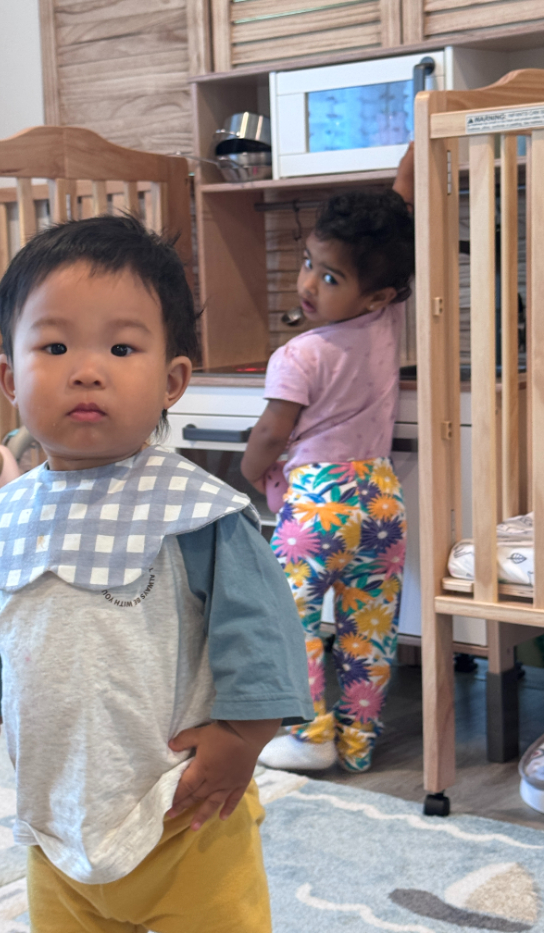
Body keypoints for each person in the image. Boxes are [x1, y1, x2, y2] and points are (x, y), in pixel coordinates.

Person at [0, 214, 313, 933]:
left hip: (185, 810)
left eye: (120, 346)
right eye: (54, 345)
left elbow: (262, 634)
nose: (87, 368)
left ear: (173, 378)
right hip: (59, 817)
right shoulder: (5, 519)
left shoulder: (196, 512)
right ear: (9, 378)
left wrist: (243, 737)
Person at [241, 145, 415, 774]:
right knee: (370, 625)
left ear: (373, 295)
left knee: (298, 623)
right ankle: (359, 742)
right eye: (310, 264)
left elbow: (271, 430)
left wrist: (248, 468)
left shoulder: (298, 355)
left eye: (330, 276)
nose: (309, 283)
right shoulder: (386, 320)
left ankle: (309, 737)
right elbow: (398, 220)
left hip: (316, 503)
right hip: (381, 499)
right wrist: (410, 165)